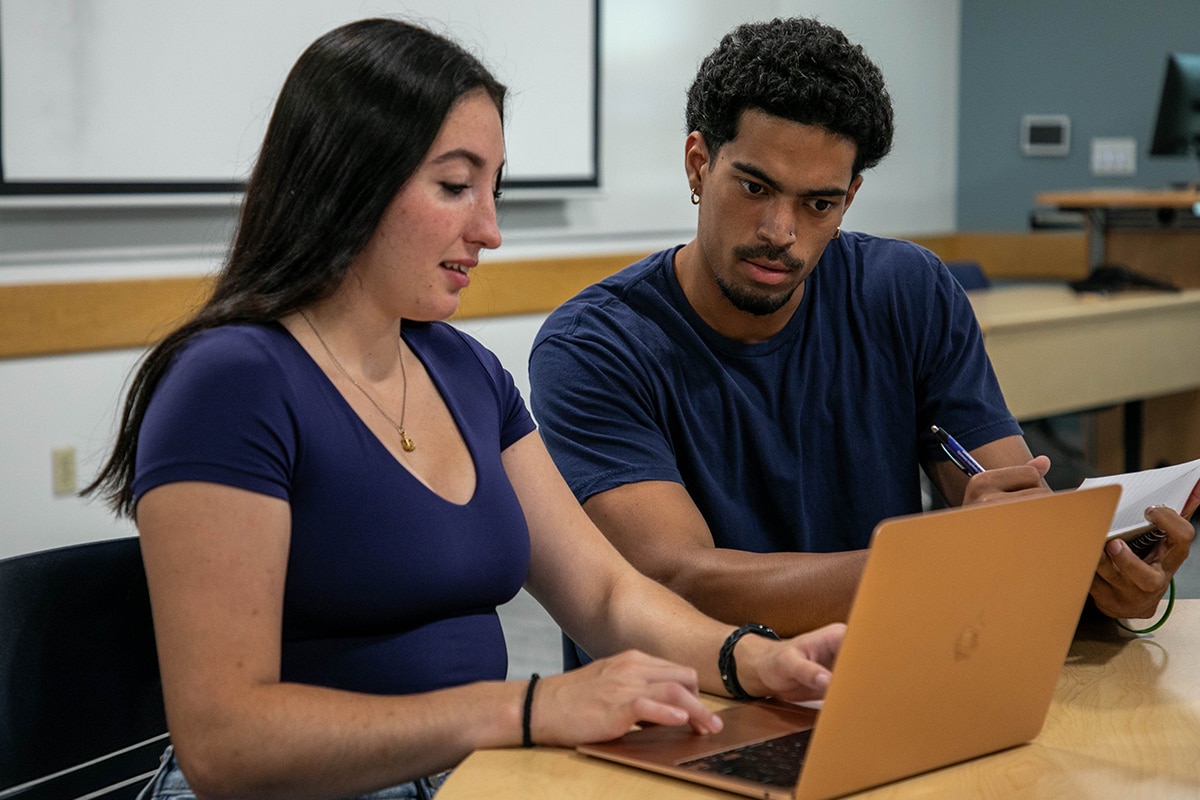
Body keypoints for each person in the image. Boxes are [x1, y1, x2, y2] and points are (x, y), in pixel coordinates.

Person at [83, 18, 845, 800]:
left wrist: (745, 658)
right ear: (350, 180)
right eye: (454, 187)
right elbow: (226, 745)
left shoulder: (464, 371)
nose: (489, 230)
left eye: (493, 189)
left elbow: (605, 594)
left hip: (468, 777)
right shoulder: (231, 381)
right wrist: (527, 707)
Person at [528, 17, 1195, 665]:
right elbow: (677, 584)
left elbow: (1012, 517)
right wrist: (939, 555)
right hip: (687, 706)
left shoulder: (907, 292)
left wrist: (1104, 583)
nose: (780, 230)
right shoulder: (595, 345)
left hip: (881, 678)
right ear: (699, 164)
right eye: (755, 187)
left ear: (850, 197)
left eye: (818, 203)